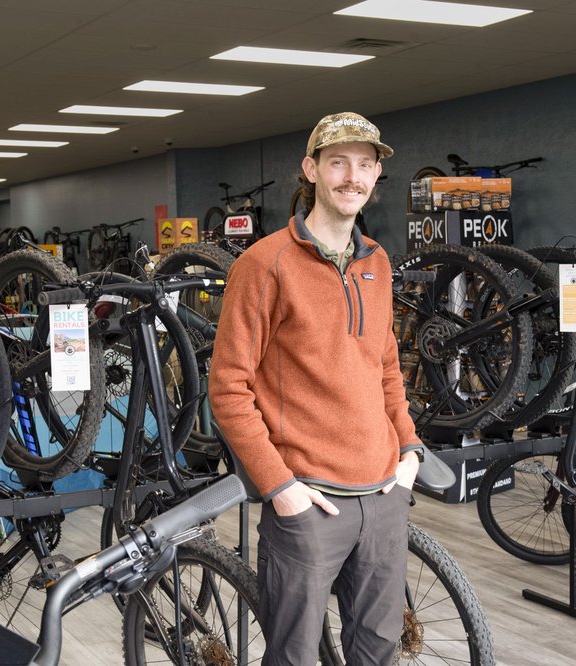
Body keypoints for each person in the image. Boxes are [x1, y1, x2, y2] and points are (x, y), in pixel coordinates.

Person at [209, 112, 423, 665]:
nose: (352, 177)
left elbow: (385, 365)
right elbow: (229, 389)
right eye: (338, 163)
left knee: (378, 652)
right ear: (311, 170)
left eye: (364, 164)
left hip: (382, 495)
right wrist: (281, 488)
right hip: (307, 505)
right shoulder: (264, 264)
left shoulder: (378, 261)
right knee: (294, 657)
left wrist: (409, 450)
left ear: (376, 175)